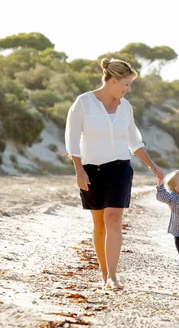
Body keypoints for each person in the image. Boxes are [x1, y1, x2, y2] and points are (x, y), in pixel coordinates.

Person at [65, 57, 164, 290]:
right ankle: (103, 272)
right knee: (99, 224)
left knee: (113, 220)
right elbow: (72, 140)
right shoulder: (84, 103)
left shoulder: (125, 108)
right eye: (127, 84)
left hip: (120, 169)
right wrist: (79, 170)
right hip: (92, 170)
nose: (128, 90)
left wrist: (152, 165)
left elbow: (134, 141)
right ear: (114, 80)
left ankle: (112, 276)